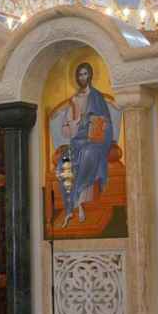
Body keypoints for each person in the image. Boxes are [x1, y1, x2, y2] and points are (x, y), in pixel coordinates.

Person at [55, 63, 113, 227]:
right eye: (79, 74)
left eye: (85, 74)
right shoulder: (74, 100)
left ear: (90, 75)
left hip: (94, 142)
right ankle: (69, 209)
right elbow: (66, 131)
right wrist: (73, 123)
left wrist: (99, 125)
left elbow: (106, 123)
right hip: (77, 143)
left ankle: (77, 201)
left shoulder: (97, 97)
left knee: (88, 154)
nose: (82, 77)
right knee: (62, 166)